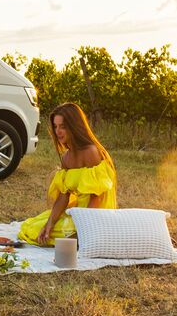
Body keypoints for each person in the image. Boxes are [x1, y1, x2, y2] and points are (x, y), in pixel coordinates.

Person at [18, 102, 117, 246]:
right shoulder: (66, 158)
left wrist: (83, 231)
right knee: (33, 228)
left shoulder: (91, 152)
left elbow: (97, 198)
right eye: (56, 126)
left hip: (94, 215)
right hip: (77, 212)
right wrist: (50, 224)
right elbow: (63, 196)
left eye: (63, 126)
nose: (58, 131)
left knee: (62, 237)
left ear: (75, 126)